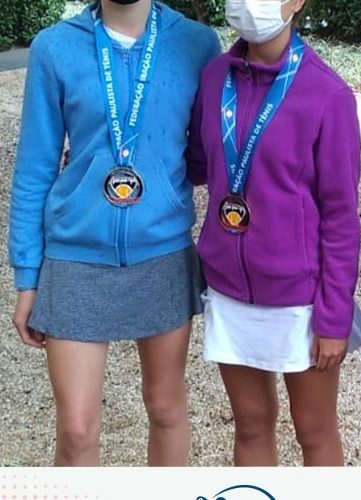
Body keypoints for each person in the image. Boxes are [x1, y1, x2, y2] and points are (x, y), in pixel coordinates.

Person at [9, 0, 220, 465]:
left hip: (162, 253)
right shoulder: (54, 47)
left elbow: (209, 152)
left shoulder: (196, 43)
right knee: (76, 430)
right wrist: (27, 275)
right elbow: (35, 167)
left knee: (166, 408)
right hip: (74, 257)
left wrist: (161, 187)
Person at [186, 0, 361, 466]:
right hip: (228, 289)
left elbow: (342, 217)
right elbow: (196, 163)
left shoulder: (327, 94)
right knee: (249, 422)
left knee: (314, 431)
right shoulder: (214, 78)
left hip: (299, 300)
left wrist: (334, 317)